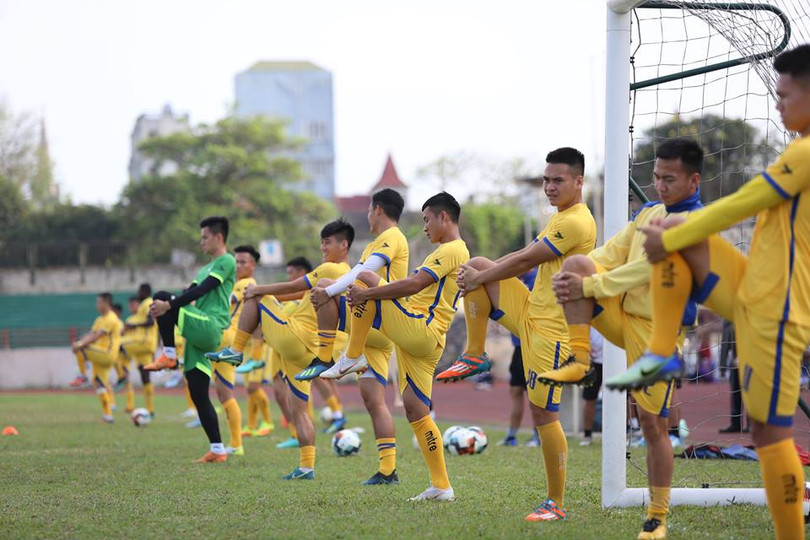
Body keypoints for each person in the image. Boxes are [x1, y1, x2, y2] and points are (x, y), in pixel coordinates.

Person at [609, 46, 810, 539]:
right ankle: (661, 354)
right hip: (753, 290)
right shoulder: (799, 147)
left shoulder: (806, 152)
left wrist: (673, 236)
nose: (777, 103)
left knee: (771, 435)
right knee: (674, 228)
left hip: (776, 310)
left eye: (784, 95)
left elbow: (747, 200)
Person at [543, 139, 703, 538]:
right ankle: (581, 361)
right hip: (623, 315)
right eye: (657, 177)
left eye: (670, 179)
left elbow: (646, 270)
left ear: (693, 180)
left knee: (652, 425)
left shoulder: (695, 222)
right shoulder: (648, 212)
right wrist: (575, 276)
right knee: (577, 262)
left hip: (658, 334)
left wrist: (592, 285)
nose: (660, 185)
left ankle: (657, 516)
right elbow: (612, 253)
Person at [440, 148, 597, 520]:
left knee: (543, 414)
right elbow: (526, 251)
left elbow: (528, 260)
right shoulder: (559, 217)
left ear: (579, 181)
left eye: (558, 180)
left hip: (552, 330)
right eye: (546, 180)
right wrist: (481, 274)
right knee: (477, 263)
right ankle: (475, 355)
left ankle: (555, 503)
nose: (549, 187)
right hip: (530, 311)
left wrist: (481, 278)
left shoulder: (577, 221)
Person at [338, 192, 468, 501]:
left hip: (421, 328)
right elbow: (415, 286)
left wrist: (368, 295)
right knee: (416, 410)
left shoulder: (452, 249)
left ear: (444, 217)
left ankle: (352, 356)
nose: (424, 227)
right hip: (423, 337)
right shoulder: (447, 251)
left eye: (427, 220)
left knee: (366, 279)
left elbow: (413, 285)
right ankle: (441, 486)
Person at [207, 220, 354, 479]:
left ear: (344, 245)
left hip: (297, 338)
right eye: (321, 242)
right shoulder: (348, 273)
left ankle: (236, 349)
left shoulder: (331, 268)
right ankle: (306, 467)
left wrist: (259, 290)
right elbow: (297, 294)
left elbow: (293, 286)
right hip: (311, 350)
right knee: (297, 407)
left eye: (328, 242)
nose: (322, 247)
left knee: (257, 297)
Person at [303, 188, 409, 485]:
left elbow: (365, 273)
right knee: (374, 401)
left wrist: (327, 291)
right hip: (376, 330)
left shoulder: (391, 237)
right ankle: (388, 470)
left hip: (377, 321)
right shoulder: (377, 243)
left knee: (326, 282)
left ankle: (326, 356)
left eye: (369, 210)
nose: (367, 215)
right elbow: (359, 273)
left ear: (378, 209)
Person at [144, 216, 236, 463]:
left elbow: (204, 289)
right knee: (198, 392)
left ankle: (169, 356)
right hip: (198, 330)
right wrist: (164, 308)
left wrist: (168, 305)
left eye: (205, 237)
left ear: (219, 237)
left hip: (210, 325)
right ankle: (218, 450)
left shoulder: (227, 260)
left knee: (163, 296)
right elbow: (189, 292)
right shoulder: (204, 268)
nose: (201, 241)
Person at [209, 244, 263, 456]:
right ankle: (234, 443)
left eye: (243, 262)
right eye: (236, 262)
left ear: (253, 265)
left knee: (227, 394)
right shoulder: (239, 283)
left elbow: (224, 300)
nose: (238, 266)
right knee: (223, 394)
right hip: (226, 340)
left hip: (228, 340)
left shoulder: (247, 284)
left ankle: (236, 444)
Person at [497, 267, 542, 448]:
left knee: (535, 394)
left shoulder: (538, 278)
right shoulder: (516, 279)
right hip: (518, 347)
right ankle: (511, 436)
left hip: (535, 346)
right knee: (515, 391)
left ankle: (538, 436)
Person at [71, 292, 123, 423]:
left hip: (107, 353)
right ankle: (108, 416)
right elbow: (91, 334)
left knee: (82, 349)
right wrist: (80, 342)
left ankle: (82, 376)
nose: (97, 305)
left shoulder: (111, 318)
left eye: (99, 302)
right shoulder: (99, 319)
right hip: (100, 354)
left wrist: (79, 345)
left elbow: (96, 336)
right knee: (99, 383)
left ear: (106, 303)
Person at [119, 284, 158, 416]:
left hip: (143, 342)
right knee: (145, 376)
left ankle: (122, 375)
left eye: (139, 291)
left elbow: (151, 321)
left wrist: (133, 325)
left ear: (144, 292)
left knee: (118, 345)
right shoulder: (141, 309)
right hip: (144, 346)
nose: (138, 293)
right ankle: (150, 410)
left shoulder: (147, 303)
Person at [580, 327, 604, 447]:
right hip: (595, 361)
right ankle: (587, 434)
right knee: (589, 398)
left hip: (616, 361)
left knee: (621, 397)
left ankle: (624, 432)